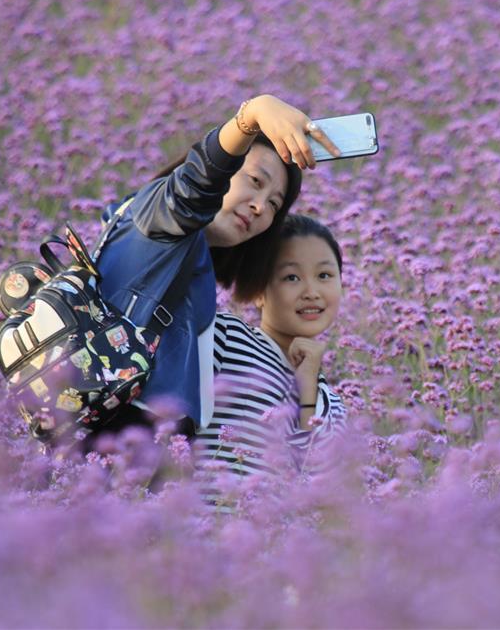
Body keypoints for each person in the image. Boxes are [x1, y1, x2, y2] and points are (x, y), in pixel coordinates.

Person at [92, 95, 340, 441]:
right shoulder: (153, 221)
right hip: (118, 437)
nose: (258, 206)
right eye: (255, 181)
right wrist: (249, 117)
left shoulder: (190, 266)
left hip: (143, 447)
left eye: (273, 204)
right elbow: (194, 187)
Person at [198, 214, 348, 482]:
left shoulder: (331, 403)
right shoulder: (226, 337)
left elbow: (321, 490)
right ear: (257, 290)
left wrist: (307, 389)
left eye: (324, 275)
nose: (312, 291)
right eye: (291, 277)